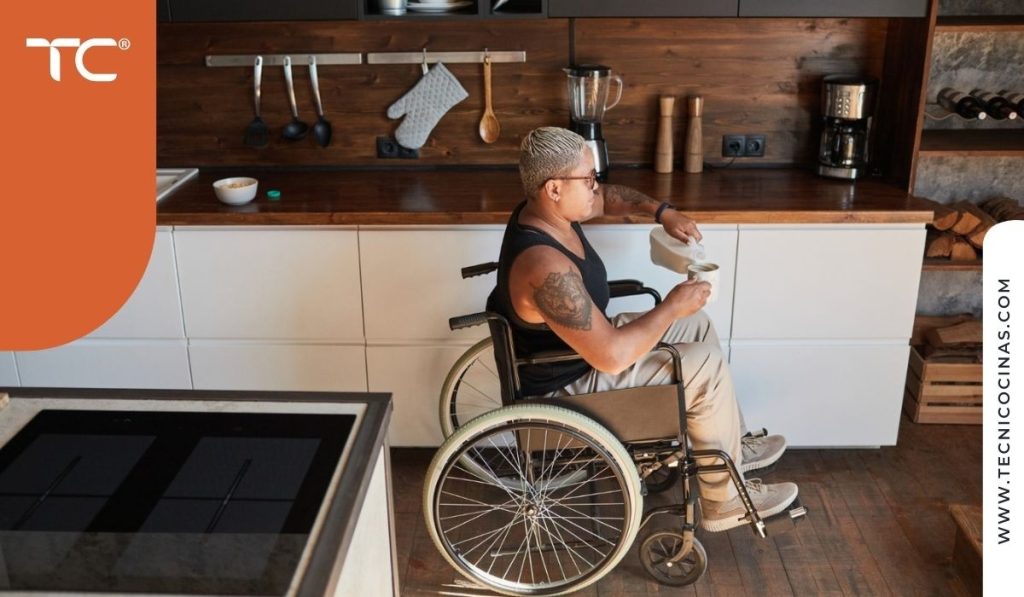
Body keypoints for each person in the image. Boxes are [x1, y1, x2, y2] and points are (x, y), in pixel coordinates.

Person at [487, 126, 797, 532]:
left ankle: (731, 444)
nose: (595, 187)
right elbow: (611, 357)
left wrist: (663, 212)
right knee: (704, 362)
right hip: (566, 384)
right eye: (588, 178)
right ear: (554, 188)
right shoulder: (545, 266)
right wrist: (670, 306)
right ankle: (725, 503)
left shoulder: (551, 211)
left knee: (696, 324)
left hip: (578, 352)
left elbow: (610, 197)